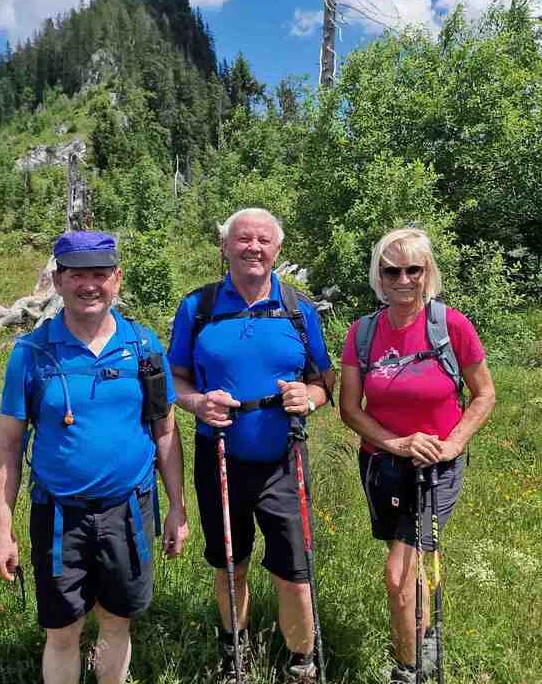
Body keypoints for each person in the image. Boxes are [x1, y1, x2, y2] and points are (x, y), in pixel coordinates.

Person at [0, 231, 189, 684]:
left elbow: (165, 431)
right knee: (62, 629)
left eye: (100, 274)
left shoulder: (143, 347)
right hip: (60, 515)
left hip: (129, 511)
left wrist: (177, 507)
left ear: (117, 279)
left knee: (118, 622)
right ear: (57, 281)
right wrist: (3, 530)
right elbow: (8, 446)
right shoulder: (32, 353)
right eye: (77, 275)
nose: (89, 285)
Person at [168, 208, 336, 683]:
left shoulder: (297, 307)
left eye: (264, 240)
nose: (253, 248)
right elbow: (173, 379)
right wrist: (197, 402)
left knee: (294, 571)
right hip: (217, 452)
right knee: (230, 564)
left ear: (278, 249)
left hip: (284, 458)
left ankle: (302, 664)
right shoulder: (197, 308)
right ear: (225, 246)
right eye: (243, 239)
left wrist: (313, 398)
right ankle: (234, 658)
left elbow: (324, 380)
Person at [339, 227, 496, 684]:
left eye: (414, 269)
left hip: (436, 468)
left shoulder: (452, 326)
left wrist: (454, 443)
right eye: (392, 270)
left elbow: (484, 394)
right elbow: (350, 409)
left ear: (428, 273)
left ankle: (406, 670)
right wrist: (396, 444)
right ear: (379, 276)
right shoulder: (363, 333)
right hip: (381, 466)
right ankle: (421, 638)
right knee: (403, 564)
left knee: (397, 575)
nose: (403, 279)